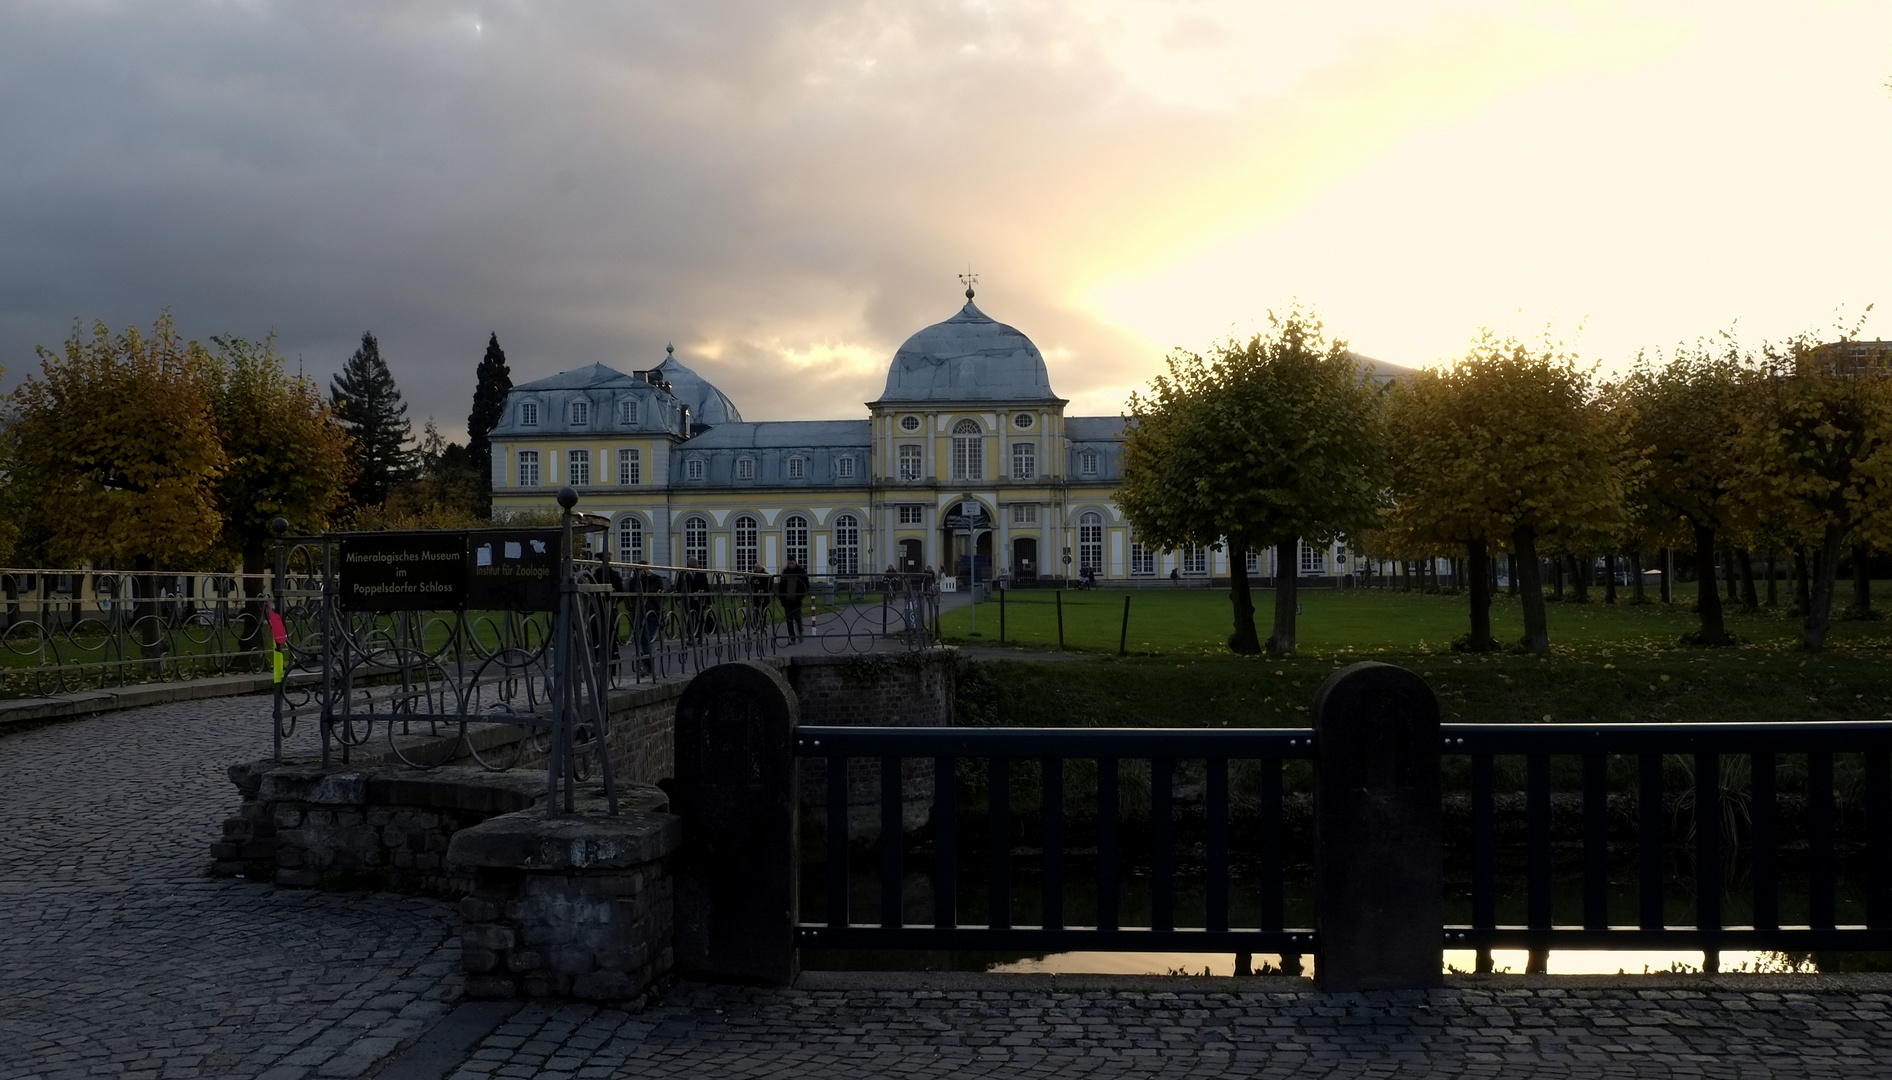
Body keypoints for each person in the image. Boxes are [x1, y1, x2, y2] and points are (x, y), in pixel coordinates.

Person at [778, 558, 810, 643]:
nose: (790, 565)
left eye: (792, 563)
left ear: (795, 562)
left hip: (797, 599)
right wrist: (782, 597)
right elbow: (781, 586)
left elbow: (805, 585)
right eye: (789, 563)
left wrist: (801, 596)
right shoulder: (785, 572)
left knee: (797, 617)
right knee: (789, 620)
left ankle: (800, 632)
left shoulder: (800, 571)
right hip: (787, 599)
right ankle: (792, 638)